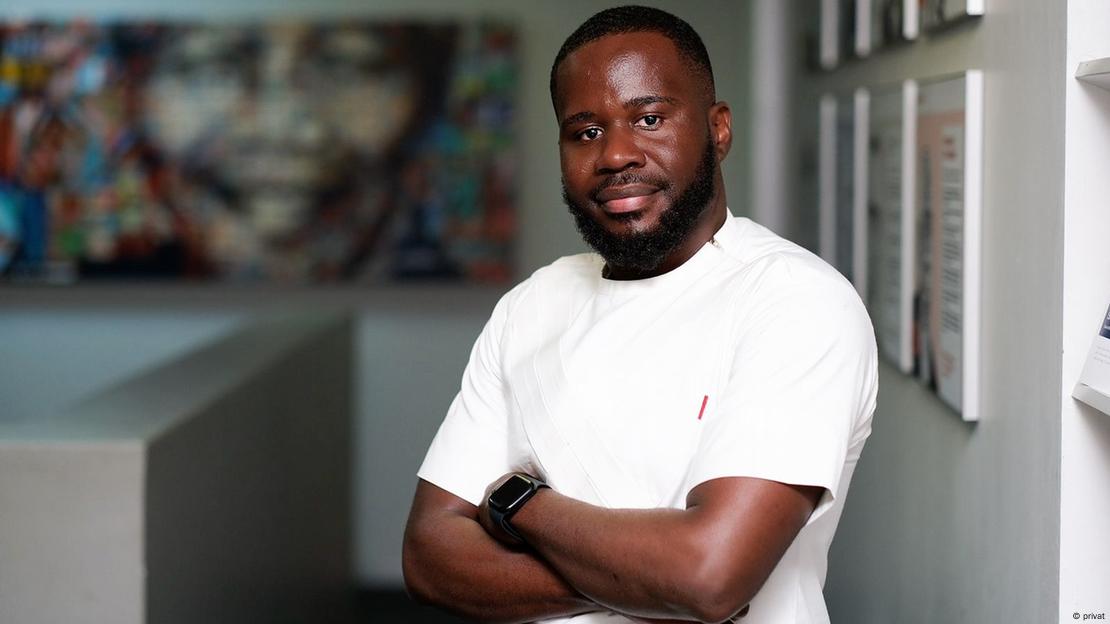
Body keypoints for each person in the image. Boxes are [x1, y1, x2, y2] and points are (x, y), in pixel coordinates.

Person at [402, 6, 877, 623]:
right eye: (585, 132)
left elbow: (708, 578)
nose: (616, 155)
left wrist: (521, 504)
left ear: (718, 130)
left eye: (649, 119)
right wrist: (646, 577)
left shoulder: (795, 301)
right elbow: (430, 557)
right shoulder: (532, 304)